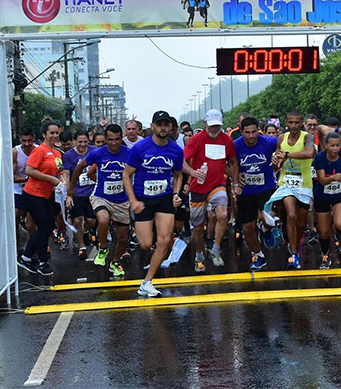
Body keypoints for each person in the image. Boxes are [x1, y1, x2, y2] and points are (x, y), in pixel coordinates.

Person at [123, 111, 184, 296]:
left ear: (171, 127)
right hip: (143, 199)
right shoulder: (140, 148)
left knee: (164, 241)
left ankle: (147, 282)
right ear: (153, 126)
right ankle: (142, 231)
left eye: (166, 124)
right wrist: (133, 201)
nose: (163, 128)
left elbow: (178, 175)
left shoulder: (175, 150)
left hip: (164, 198)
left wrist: (175, 194)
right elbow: (126, 175)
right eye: (159, 124)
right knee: (145, 244)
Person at [70, 125, 131, 277]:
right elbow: (80, 167)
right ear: (106, 139)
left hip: (122, 200)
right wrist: (71, 187)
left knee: (123, 237)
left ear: (121, 138)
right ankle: (103, 248)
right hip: (101, 196)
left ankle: (115, 262)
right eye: (110, 140)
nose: (114, 143)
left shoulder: (129, 153)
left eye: (117, 139)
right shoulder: (98, 153)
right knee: (103, 220)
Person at [183, 109, 239, 272]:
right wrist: (193, 172)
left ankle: (215, 248)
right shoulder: (196, 140)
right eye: (212, 125)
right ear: (205, 123)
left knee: (222, 214)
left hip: (217, 185)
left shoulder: (226, 140)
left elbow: (233, 161)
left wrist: (235, 183)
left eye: (217, 126)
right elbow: (182, 161)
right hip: (198, 187)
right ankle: (199, 254)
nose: (215, 129)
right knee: (198, 226)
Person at [270, 110, 316, 269]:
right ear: (286, 123)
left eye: (297, 123)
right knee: (291, 214)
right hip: (286, 184)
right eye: (291, 122)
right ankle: (294, 254)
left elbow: (310, 152)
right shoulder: (281, 139)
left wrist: (287, 155)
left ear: (302, 123)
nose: (294, 126)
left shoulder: (307, 137)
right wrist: (276, 161)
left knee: (301, 223)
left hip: (303, 185)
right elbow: (277, 165)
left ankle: (293, 240)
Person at [18, 120, 65, 276]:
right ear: (44, 134)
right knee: (45, 226)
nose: (54, 135)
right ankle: (42, 261)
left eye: (56, 133)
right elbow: (29, 170)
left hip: (46, 195)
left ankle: (26, 256)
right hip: (33, 194)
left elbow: (59, 172)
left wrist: (61, 181)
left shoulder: (57, 152)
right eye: (51, 133)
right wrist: (50, 179)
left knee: (46, 226)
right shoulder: (40, 151)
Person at [234, 116, 278, 270]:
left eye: (254, 132)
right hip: (246, 190)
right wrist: (235, 175)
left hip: (266, 187)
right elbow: (223, 163)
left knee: (269, 218)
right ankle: (258, 255)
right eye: (247, 133)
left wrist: (281, 157)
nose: (251, 136)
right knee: (247, 228)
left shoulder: (268, 142)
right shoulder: (235, 145)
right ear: (241, 132)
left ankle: (265, 229)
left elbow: (285, 144)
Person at [314, 132, 341, 268]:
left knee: (340, 224)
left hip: (339, 195)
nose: (335, 148)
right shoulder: (320, 158)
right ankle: (325, 255)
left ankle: (340, 235)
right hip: (322, 196)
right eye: (332, 145)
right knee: (324, 232)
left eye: (337, 145)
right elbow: (321, 180)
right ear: (326, 145)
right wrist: (333, 178)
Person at [63, 130, 96, 259]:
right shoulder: (68, 155)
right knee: (77, 220)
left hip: (92, 192)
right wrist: (68, 194)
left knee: (91, 220)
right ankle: (82, 245)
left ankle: (86, 231)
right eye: (80, 142)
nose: (82, 145)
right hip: (77, 192)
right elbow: (66, 174)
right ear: (75, 141)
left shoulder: (94, 151)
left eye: (85, 142)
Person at [13, 127, 37, 249]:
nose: (27, 144)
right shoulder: (15, 152)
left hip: (34, 190)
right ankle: (16, 250)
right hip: (18, 189)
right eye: (24, 141)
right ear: (19, 139)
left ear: (34, 138)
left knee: (32, 221)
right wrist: (27, 179)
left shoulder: (38, 150)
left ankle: (33, 247)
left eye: (29, 141)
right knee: (15, 218)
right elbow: (12, 177)